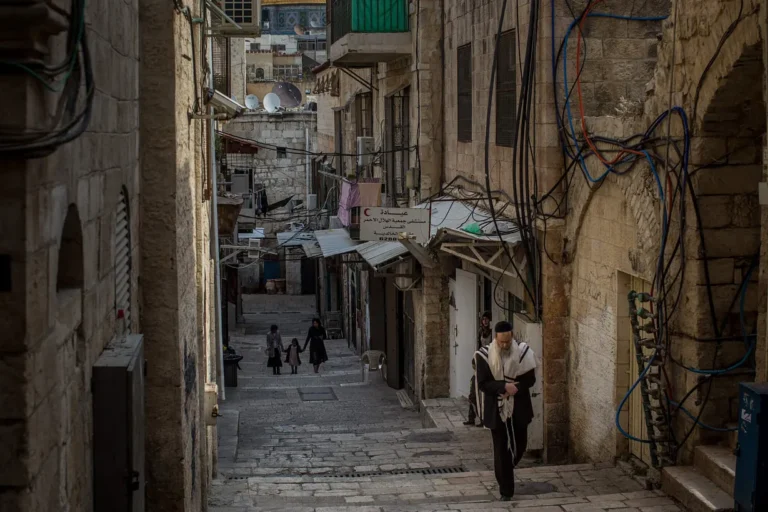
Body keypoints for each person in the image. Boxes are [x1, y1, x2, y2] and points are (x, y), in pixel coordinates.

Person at [473, 320, 537, 501]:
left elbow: (530, 380)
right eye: (501, 342)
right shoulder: (484, 356)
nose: (504, 345)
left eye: (507, 342)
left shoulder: (524, 353)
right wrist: (503, 387)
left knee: (520, 445)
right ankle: (506, 490)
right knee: (501, 449)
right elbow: (483, 383)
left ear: (512, 338)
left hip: (519, 408)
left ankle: (505, 471)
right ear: (495, 339)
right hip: (497, 410)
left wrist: (517, 388)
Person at [464, 311, 493, 426]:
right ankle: (472, 417)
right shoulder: (481, 332)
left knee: (483, 395)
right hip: (480, 362)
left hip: (489, 364)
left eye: (487, 319)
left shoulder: (492, 333)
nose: (485, 321)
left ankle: (483, 419)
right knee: (472, 392)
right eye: (483, 319)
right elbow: (478, 347)